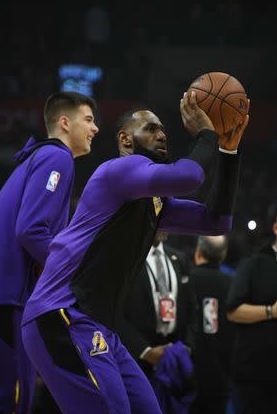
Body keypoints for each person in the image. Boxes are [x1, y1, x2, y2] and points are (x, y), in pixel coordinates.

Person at [21, 91, 248, 414]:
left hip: (100, 325)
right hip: (62, 314)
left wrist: (228, 150)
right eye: (151, 128)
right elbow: (187, 177)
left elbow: (217, 222)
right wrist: (207, 134)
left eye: (163, 129)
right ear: (126, 139)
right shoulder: (117, 172)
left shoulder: (153, 203)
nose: (162, 134)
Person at [0, 91, 98, 414]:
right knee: (13, 401)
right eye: (89, 120)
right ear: (65, 123)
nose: (95, 129)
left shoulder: (38, 157)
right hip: (9, 296)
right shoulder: (58, 158)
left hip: (5, 292)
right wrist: (70, 275)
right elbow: (30, 230)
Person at [226, 202, 277, 414]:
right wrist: (271, 311)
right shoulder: (254, 263)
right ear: (276, 228)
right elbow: (232, 311)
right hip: (257, 376)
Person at [115, 231, 193, 412]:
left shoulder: (179, 258)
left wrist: (185, 347)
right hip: (138, 359)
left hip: (175, 357)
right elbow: (114, 313)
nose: (166, 224)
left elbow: (191, 307)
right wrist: (145, 351)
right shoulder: (126, 259)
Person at [187, 235, 235, 414]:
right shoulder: (234, 284)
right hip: (221, 375)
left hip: (187, 374)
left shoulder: (184, 279)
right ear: (223, 255)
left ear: (198, 252)